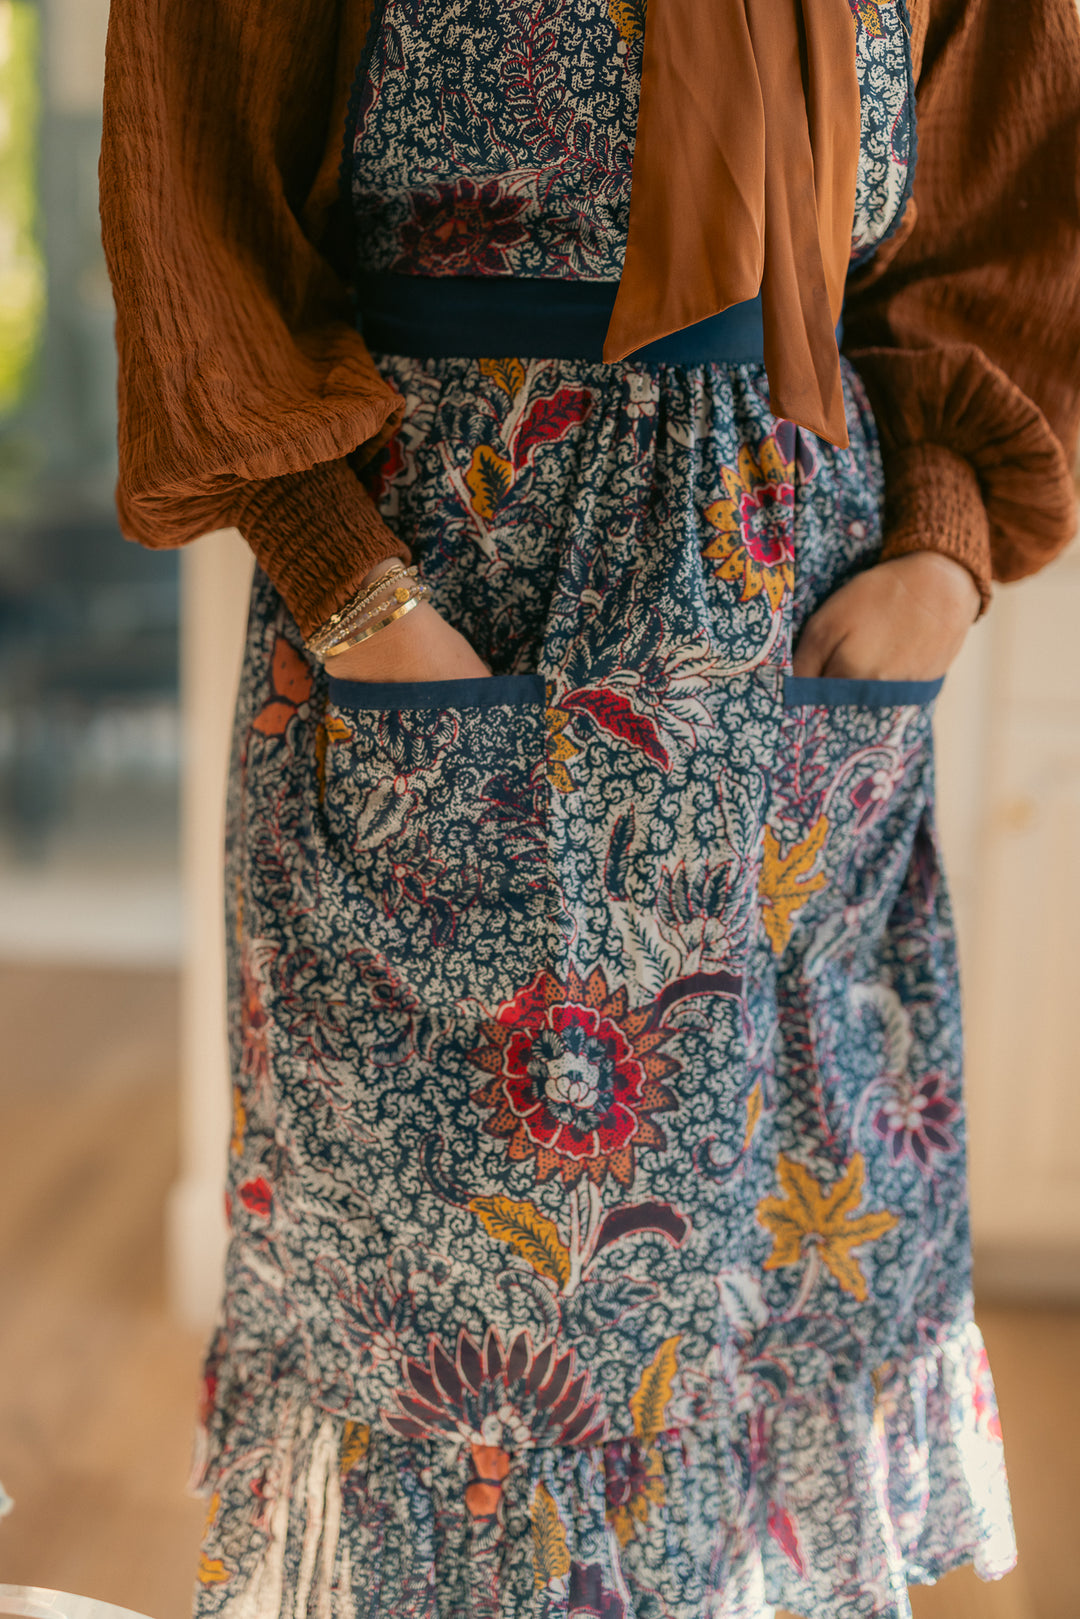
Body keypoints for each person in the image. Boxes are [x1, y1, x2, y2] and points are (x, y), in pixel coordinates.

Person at [99, 1, 1080, 1615]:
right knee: (435, 1326)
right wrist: (362, 599)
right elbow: (192, 197)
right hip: (427, 618)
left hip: (793, 664)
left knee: (758, 1302)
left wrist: (942, 558)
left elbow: (1008, 205)